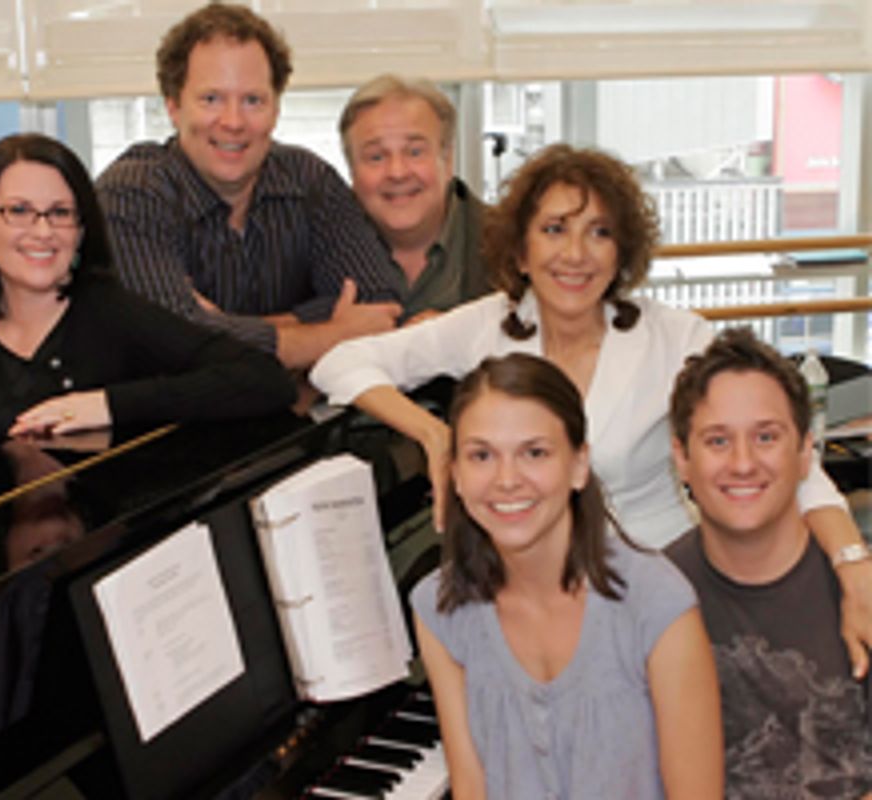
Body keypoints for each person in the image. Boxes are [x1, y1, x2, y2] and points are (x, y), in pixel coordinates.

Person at [310, 143, 872, 672]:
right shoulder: (490, 323)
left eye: (598, 233)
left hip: (658, 591)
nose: (575, 255)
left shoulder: (675, 337)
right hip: (526, 599)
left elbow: (789, 460)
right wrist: (433, 435)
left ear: (621, 250)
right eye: (554, 230)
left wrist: (852, 561)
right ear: (522, 250)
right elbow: (339, 364)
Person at [412, 353, 723, 798]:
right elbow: (471, 787)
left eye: (534, 453)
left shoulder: (658, 601)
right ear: (455, 475)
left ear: (579, 465)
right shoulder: (438, 605)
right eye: (481, 455)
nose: (506, 479)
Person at [0, 133, 296, 445]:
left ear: (81, 231)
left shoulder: (113, 315)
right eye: (18, 211)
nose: (42, 230)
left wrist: (108, 405)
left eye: (61, 213)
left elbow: (265, 379)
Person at [95, 3, 404, 369]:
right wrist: (332, 332)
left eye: (253, 100)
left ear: (275, 109)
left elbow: (381, 305)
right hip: (172, 423)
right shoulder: (130, 194)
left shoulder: (309, 180)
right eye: (211, 99)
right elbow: (169, 343)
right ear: (174, 108)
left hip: (299, 420)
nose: (233, 122)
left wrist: (219, 326)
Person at [665, 328, 872, 798]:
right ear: (681, 457)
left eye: (765, 437)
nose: (743, 463)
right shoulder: (652, 600)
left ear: (805, 452)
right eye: (718, 441)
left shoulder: (861, 593)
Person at [339, 74, 490, 321]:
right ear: (352, 171)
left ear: (448, 159)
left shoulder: (513, 245)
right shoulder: (317, 248)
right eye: (376, 157)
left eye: (415, 152)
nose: (397, 172)